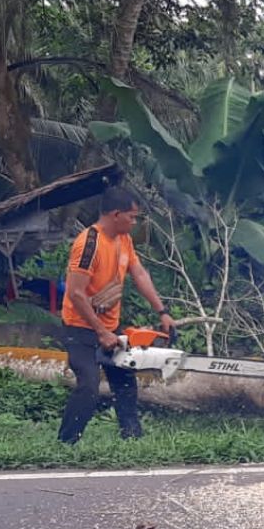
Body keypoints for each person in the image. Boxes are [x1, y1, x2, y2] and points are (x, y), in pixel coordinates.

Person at [57, 186, 175, 444]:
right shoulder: (88, 244)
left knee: (124, 381)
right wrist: (101, 332)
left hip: (111, 325)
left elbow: (140, 273)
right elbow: (76, 293)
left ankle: (132, 438)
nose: (134, 222)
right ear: (115, 214)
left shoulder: (124, 240)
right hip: (81, 328)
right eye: (132, 217)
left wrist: (162, 311)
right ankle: (66, 443)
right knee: (88, 386)